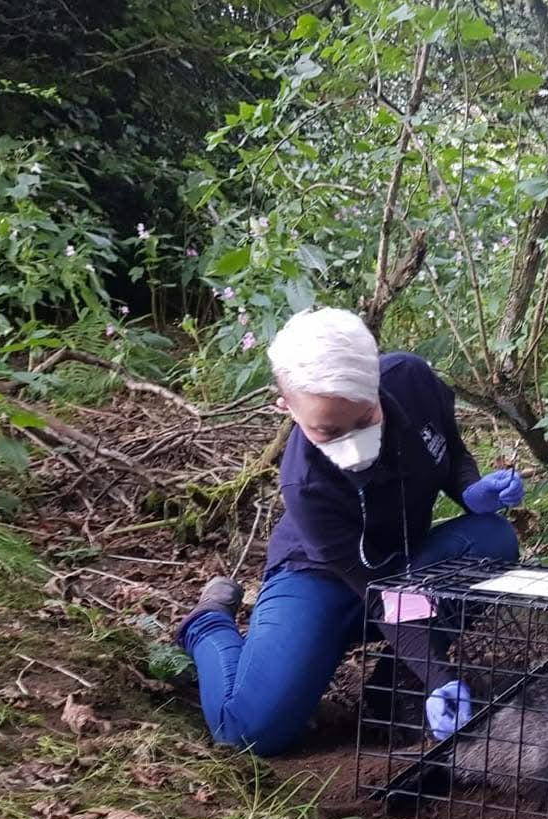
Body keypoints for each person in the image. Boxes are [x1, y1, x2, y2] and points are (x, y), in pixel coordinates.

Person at [175, 307, 522, 755]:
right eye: (328, 430)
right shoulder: (304, 484)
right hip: (319, 581)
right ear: (287, 407)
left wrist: (471, 490)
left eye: (364, 420)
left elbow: (449, 449)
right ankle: (207, 624)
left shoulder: (411, 381)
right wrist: (440, 677)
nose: (353, 440)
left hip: (401, 564)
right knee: (246, 731)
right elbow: (381, 594)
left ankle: (391, 688)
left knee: (491, 540)